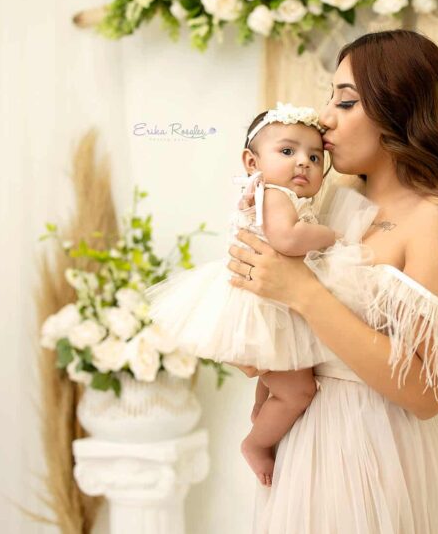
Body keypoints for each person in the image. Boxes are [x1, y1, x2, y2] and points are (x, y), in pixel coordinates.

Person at [227, 29, 438, 533]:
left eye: (345, 102)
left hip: (383, 455)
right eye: (330, 99)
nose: (324, 118)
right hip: (308, 449)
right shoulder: (328, 206)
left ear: (399, 108)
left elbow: (427, 394)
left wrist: (302, 292)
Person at [144, 102, 377, 486]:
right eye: (287, 151)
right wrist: (331, 235)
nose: (303, 162)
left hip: (272, 300)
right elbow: (287, 239)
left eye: (314, 157)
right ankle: (256, 443)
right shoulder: (276, 195)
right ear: (252, 162)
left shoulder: (276, 194)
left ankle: (263, 409)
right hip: (264, 303)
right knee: (299, 391)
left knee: (280, 371)